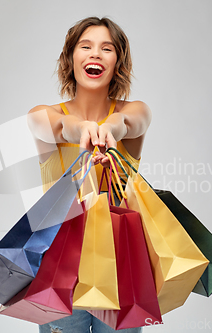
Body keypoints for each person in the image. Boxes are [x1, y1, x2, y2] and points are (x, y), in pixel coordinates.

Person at [28, 16, 152, 333]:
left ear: (118, 62)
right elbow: (54, 126)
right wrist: (80, 128)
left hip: (120, 269)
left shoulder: (133, 111)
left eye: (106, 48)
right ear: (72, 58)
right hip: (60, 271)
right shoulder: (46, 114)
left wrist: (107, 129)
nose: (95, 54)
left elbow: (129, 124)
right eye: (86, 46)